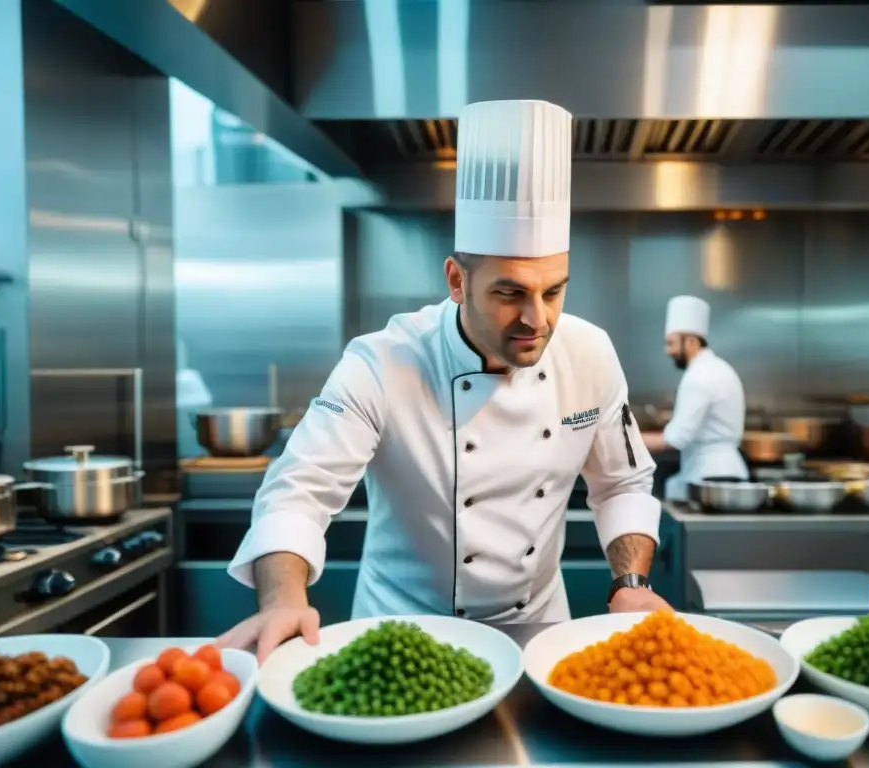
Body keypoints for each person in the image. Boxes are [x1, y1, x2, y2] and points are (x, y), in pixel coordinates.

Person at [217, 99, 672, 662]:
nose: (538, 319)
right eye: (509, 293)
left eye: (553, 291)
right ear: (457, 280)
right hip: (401, 636)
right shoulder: (381, 364)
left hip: (539, 635)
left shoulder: (590, 353)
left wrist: (632, 586)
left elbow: (622, 484)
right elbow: (298, 490)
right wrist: (282, 598)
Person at [641, 296, 748, 501]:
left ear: (691, 341)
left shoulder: (699, 376)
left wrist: (627, 440)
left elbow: (676, 438)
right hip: (724, 473)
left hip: (712, 478)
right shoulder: (719, 368)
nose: (667, 351)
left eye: (671, 343)